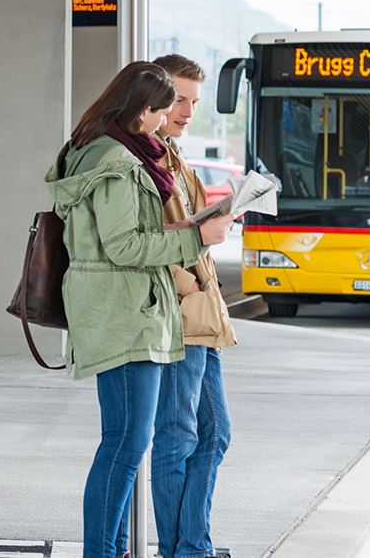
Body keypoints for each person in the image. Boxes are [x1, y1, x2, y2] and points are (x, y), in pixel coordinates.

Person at [46, 61, 234, 558]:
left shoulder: (119, 152)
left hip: (127, 309)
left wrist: (194, 231)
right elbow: (124, 247)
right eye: (164, 108)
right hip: (124, 311)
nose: (170, 117)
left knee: (127, 444)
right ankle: (104, 552)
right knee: (126, 445)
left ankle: (111, 550)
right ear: (141, 109)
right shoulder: (118, 162)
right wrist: (195, 237)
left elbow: (128, 236)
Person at [149, 55, 237, 558]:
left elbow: (190, 230)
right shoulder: (147, 159)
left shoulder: (175, 156)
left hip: (202, 308)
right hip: (182, 311)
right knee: (178, 435)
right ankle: (182, 549)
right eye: (179, 99)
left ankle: (189, 545)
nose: (186, 111)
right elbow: (149, 241)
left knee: (214, 433)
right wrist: (187, 282)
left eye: (193, 102)